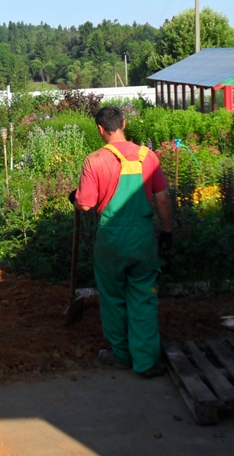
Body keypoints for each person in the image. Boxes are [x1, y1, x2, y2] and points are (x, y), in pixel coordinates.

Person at [71, 106, 172, 377]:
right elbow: (162, 198)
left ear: (100, 129)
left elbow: (85, 204)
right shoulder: (148, 156)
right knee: (144, 296)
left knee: (113, 297)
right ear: (124, 124)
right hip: (142, 238)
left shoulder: (94, 161)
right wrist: (167, 231)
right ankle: (147, 361)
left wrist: (76, 199)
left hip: (111, 239)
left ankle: (121, 354)